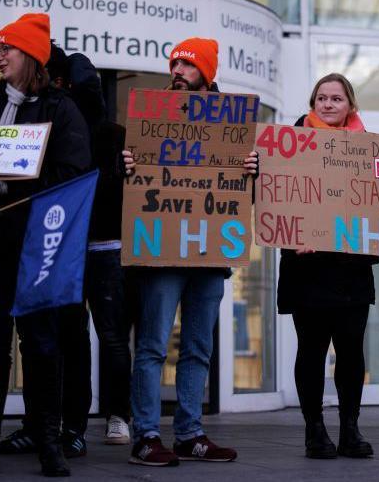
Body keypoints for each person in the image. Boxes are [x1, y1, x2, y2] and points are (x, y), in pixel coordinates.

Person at [0, 13, 91, 478]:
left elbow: (72, 174)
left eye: (7, 48)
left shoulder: (60, 109)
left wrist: (11, 193)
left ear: (31, 56)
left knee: (42, 345)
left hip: (38, 248)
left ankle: (49, 444)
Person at [121, 38, 258, 467]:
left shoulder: (231, 127)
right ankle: (145, 434)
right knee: (152, 346)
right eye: (175, 63)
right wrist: (128, 163)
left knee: (198, 347)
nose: (178, 69)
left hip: (209, 255)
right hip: (163, 252)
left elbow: (240, 192)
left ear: (208, 73)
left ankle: (189, 433)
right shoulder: (150, 118)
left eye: (189, 64)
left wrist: (252, 170)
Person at [0, 43, 132, 459]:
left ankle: (89, 420)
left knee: (87, 338)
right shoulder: (38, 119)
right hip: (64, 242)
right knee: (65, 338)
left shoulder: (106, 133)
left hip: (97, 244)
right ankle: (52, 425)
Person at [277, 73, 379, 459]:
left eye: (336, 98)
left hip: (351, 271)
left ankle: (350, 429)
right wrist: (258, 169)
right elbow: (275, 194)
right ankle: (314, 430)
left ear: (350, 105)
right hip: (308, 269)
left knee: (351, 351)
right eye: (321, 98)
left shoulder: (370, 148)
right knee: (312, 350)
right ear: (312, 103)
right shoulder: (289, 144)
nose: (328, 104)